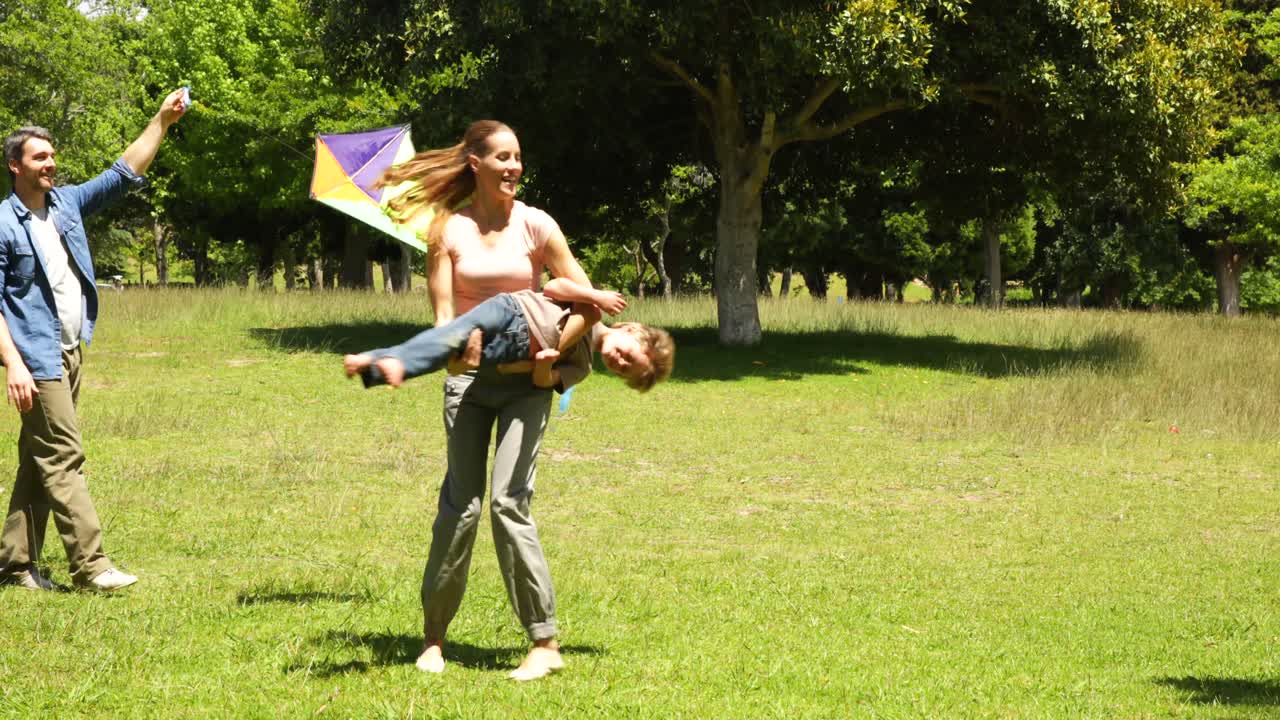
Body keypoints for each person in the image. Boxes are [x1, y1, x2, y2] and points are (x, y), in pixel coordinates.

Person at [376, 119, 599, 680]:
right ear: (474, 163)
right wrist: (452, 356)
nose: (514, 167)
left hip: (529, 383)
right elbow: (445, 320)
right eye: (502, 157)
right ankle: (434, 638)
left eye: (518, 157)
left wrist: (555, 353)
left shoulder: (537, 226)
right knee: (460, 506)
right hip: (469, 385)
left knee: (508, 501)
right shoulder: (447, 231)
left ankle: (543, 642)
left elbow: (585, 302)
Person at [0, 89, 188, 592]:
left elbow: (123, 173)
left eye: (52, 155)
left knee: (38, 456)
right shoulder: (2, 223)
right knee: (64, 455)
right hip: (35, 358)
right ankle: (90, 566)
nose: (51, 164)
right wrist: (14, 365)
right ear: (15, 166)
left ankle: (15, 564)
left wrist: (161, 123)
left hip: (69, 349)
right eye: (40, 157)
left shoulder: (66, 204)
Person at [342, 277, 675, 394]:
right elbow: (552, 287)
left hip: (508, 350)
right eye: (627, 355)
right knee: (452, 334)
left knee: (449, 345)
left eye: (622, 369)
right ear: (630, 329)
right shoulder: (590, 307)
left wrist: (544, 365)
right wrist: (595, 295)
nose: (618, 361)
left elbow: (545, 381)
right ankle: (396, 365)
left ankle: (374, 363)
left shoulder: (584, 367)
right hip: (512, 311)